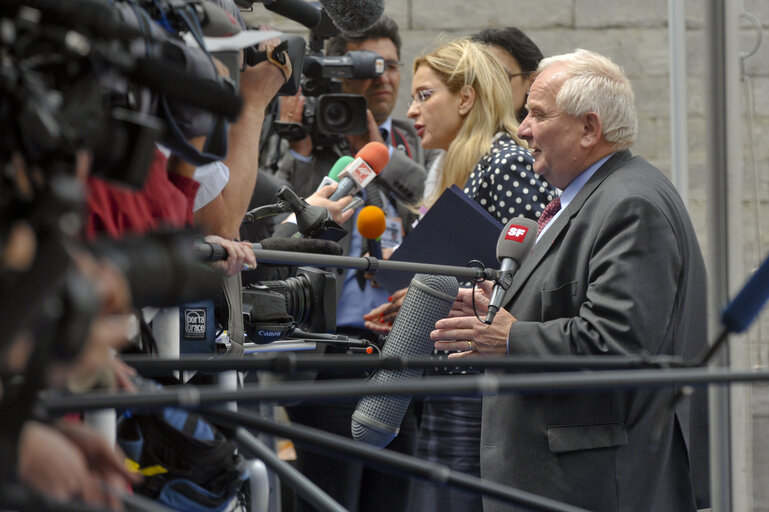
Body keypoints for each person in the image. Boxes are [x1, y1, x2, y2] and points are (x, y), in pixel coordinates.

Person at [431, 49, 710, 512]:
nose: (522, 130)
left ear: (589, 129)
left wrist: (510, 339)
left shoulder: (630, 204)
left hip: (597, 486)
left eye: (538, 115)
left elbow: (619, 344)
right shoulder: (597, 196)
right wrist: (499, 309)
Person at [361, 38, 555, 512]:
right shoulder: (459, 166)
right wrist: (418, 298)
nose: (412, 109)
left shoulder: (505, 162)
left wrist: (447, 294)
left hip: (483, 387)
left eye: (425, 95)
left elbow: (532, 274)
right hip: (457, 374)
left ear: (466, 99)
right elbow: (471, 272)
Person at [269, 16, 440, 512]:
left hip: (400, 346)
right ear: (341, 73)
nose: (382, 77)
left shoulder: (417, 140)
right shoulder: (303, 139)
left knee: (393, 496)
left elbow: (435, 198)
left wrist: (376, 153)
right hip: (328, 353)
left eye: (389, 65)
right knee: (330, 497)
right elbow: (272, 225)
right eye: (368, 66)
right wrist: (303, 149)